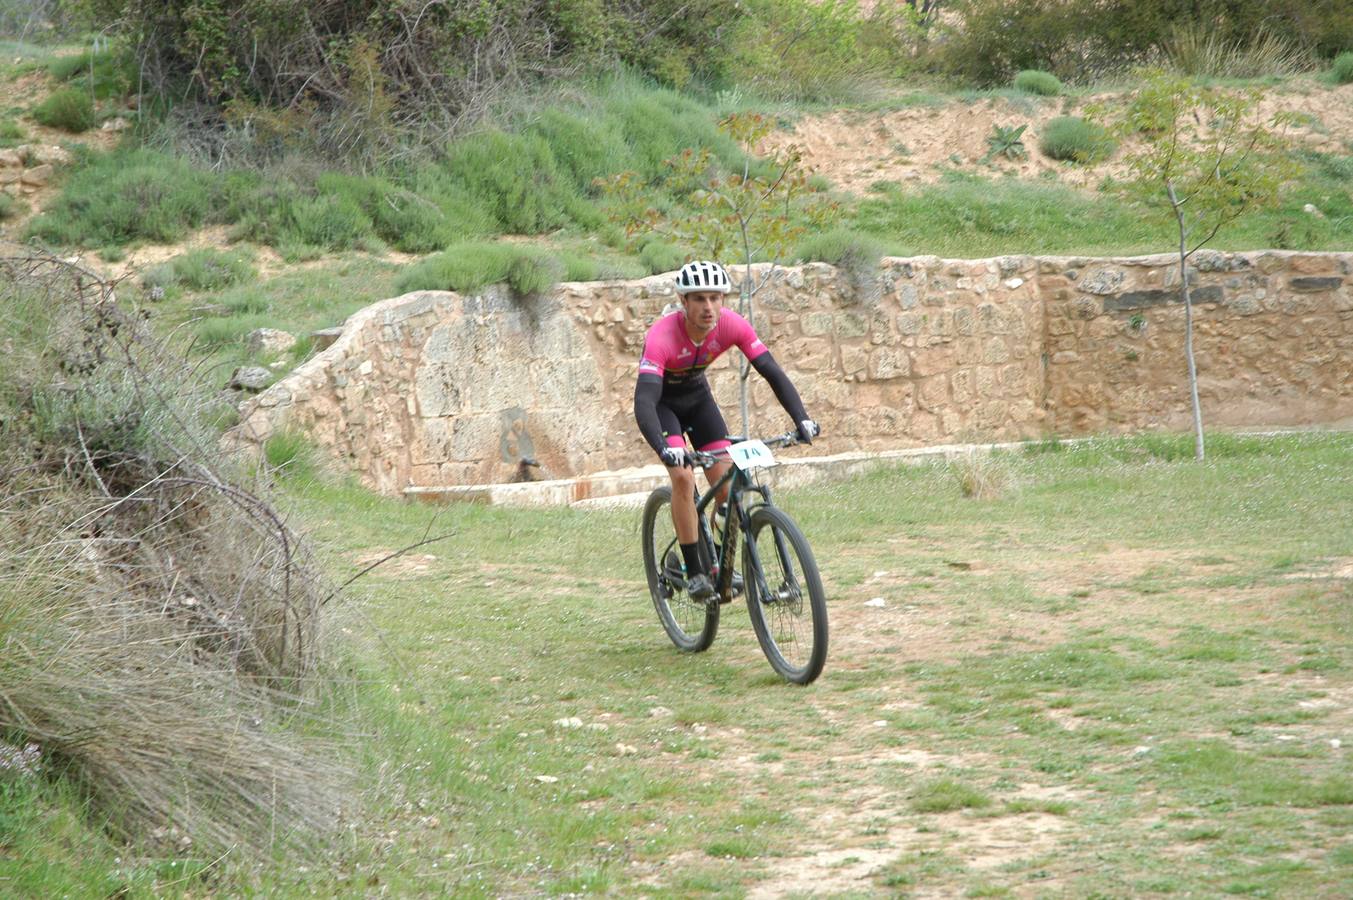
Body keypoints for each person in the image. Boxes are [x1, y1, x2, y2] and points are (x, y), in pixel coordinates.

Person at [633, 260, 819, 604]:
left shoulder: (732, 325)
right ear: (683, 302)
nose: (708, 307)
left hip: (699, 401)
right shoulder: (662, 336)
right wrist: (664, 448)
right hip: (663, 405)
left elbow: (771, 371)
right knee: (684, 479)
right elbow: (644, 401)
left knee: (726, 487)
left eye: (715, 298)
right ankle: (694, 571)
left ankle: (720, 562)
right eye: (699, 299)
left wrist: (801, 419)